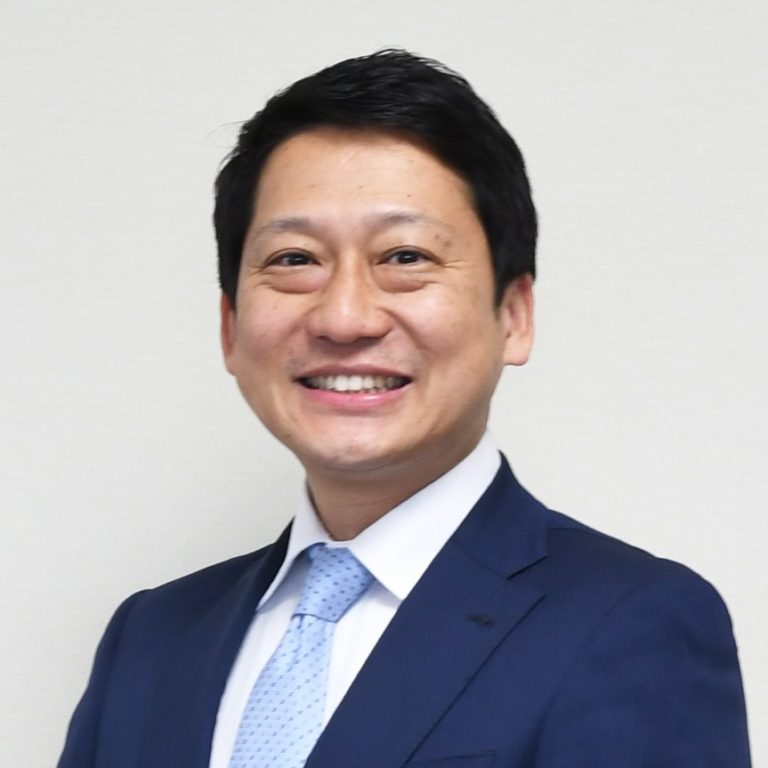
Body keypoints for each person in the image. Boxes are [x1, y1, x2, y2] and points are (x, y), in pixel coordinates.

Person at [57, 49, 751, 767]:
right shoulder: (151, 637)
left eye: (406, 257)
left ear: (514, 315)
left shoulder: (634, 620)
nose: (345, 318)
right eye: (294, 259)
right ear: (230, 326)